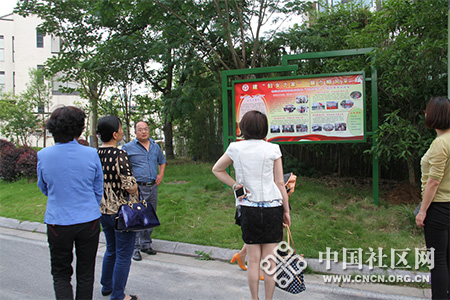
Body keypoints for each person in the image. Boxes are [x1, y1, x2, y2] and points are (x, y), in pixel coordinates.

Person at [212, 110, 291, 300]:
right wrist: (286, 211)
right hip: (273, 208)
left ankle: (254, 299)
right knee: (270, 262)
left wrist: (236, 185)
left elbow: (217, 169)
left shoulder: (235, 148)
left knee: (253, 261)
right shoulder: (273, 149)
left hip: (248, 208)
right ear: (264, 128)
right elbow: (280, 183)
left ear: (243, 128)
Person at [36, 106, 103, 300]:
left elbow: (44, 187)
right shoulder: (91, 154)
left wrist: (60, 196)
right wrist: (89, 205)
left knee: (61, 273)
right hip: (88, 220)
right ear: (79, 129)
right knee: (86, 272)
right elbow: (98, 188)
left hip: (58, 221)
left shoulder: (43, 155)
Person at [97, 116, 139, 300]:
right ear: (115, 134)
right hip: (121, 212)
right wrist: (136, 188)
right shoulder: (119, 155)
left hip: (102, 210)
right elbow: (129, 185)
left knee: (111, 249)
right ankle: (118, 295)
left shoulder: (95, 154)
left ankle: (107, 286)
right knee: (123, 254)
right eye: (121, 128)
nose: (122, 131)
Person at [416, 96, 450, 300]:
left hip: (438, 208)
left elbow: (433, 181)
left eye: (427, 111)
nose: (425, 114)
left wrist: (422, 211)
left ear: (435, 116)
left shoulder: (440, 144)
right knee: (447, 257)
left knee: (437, 261)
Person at [122, 121, 166, 261]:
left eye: (146, 129)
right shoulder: (128, 147)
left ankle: (146, 244)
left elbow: (162, 161)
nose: (143, 132)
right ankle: (134, 248)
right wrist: (129, 184)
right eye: (140, 129)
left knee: (150, 215)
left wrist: (160, 175)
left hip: (152, 186)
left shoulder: (155, 147)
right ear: (135, 132)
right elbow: (122, 166)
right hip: (137, 188)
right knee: (136, 217)